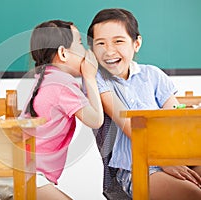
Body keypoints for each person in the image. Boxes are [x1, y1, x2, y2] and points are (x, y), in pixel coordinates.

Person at [86, 8, 201, 200]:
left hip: (174, 156)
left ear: (136, 43)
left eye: (118, 41)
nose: (109, 51)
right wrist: (162, 160)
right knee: (193, 195)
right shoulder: (97, 80)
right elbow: (130, 126)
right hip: (136, 168)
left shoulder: (153, 75)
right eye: (100, 43)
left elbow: (176, 122)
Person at [0, 20, 104, 200]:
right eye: (81, 44)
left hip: (11, 173)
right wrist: (90, 76)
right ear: (63, 53)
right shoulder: (63, 83)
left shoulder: (46, 77)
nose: (85, 52)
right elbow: (96, 120)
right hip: (25, 175)